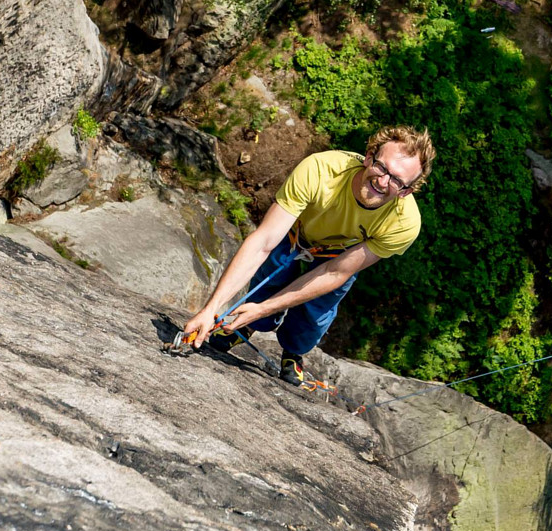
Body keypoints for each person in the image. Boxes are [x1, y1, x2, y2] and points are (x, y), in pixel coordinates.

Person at [181, 126, 435, 386]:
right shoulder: (321, 169)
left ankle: (294, 351)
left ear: (406, 191)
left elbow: (336, 272)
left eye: (397, 180)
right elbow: (263, 242)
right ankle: (246, 325)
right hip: (297, 231)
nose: (383, 182)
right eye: (382, 168)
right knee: (270, 275)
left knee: (318, 309)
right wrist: (210, 309)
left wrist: (265, 308)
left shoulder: (403, 224)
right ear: (369, 157)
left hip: (339, 254)